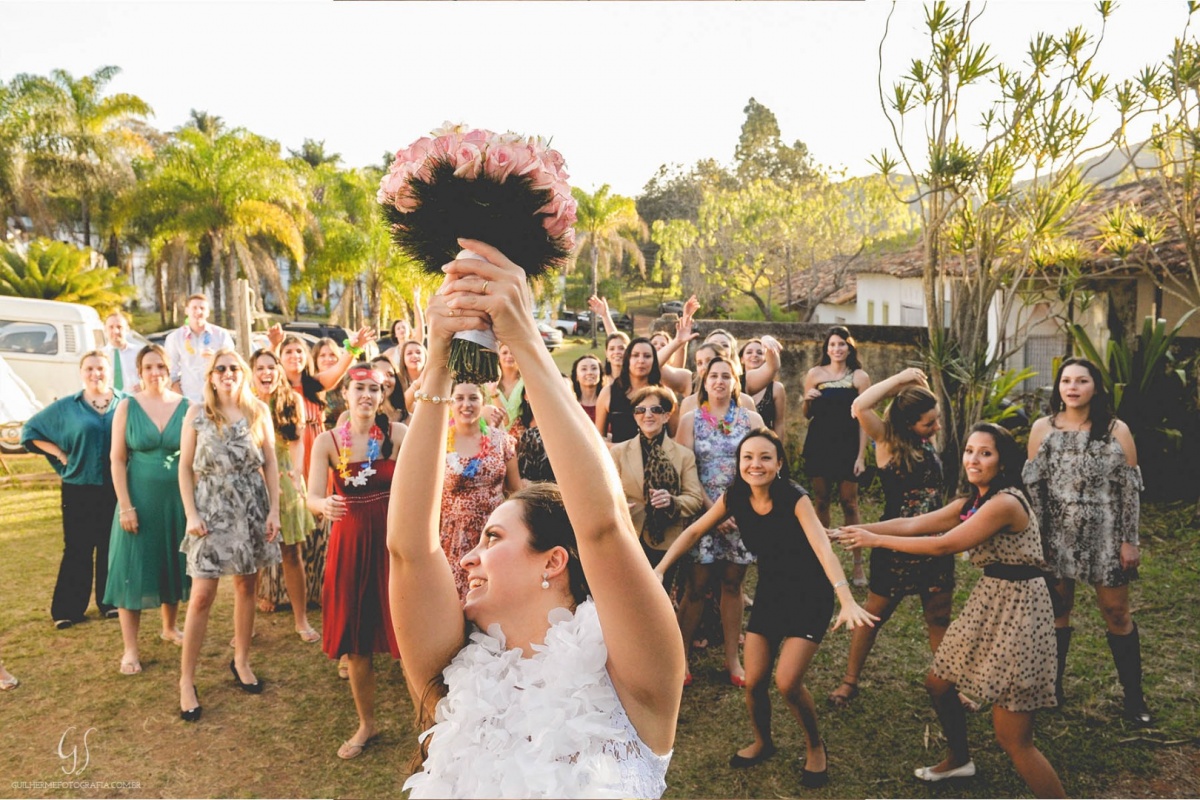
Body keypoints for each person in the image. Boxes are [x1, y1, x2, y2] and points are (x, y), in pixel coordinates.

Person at [388, 240, 683, 798]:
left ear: (554, 560)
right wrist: (437, 367)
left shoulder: (634, 684)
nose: (468, 556)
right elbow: (410, 549)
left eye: (493, 536)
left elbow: (603, 525)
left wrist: (523, 338)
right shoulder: (451, 682)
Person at [835, 424, 1064, 798]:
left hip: (1020, 607)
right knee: (939, 683)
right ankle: (959, 759)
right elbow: (914, 523)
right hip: (991, 597)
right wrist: (855, 528)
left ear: (1002, 460)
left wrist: (874, 540)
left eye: (985, 453)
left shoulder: (1005, 502)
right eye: (970, 451)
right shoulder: (972, 501)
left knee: (1014, 738)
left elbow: (943, 545)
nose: (974, 459)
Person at [656, 428, 876, 786]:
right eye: (748, 457)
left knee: (787, 682)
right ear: (739, 463)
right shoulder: (736, 496)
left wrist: (846, 598)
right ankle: (763, 742)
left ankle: (815, 746)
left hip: (809, 593)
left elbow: (823, 547)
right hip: (773, 591)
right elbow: (695, 531)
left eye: (764, 457)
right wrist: (662, 568)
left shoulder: (795, 497)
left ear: (779, 464)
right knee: (754, 682)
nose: (755, 464)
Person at [1023, 357, 1151, 724]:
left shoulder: (1116, 429)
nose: (1073, 387)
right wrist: (1038, 540)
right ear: (1058, 387)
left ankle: (1134, 699)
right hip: (1057, 536)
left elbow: (1130, 490)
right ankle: (1052, 689)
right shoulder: (1042, 429)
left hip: (1107, 536)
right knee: (1058, 611)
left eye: (1082, 380)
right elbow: (1036, 490)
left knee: (1116, 612)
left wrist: (1130, 541)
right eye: (1066, 381)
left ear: (1096, 386)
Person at [827, 368, 955, 709]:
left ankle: (951, 686)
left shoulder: (928, 442)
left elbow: (924, 405)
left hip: (935, 542)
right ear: (908, 421)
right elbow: (859, 405)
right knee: (874, 614)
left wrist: (920, 387)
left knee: (939, 616)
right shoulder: (885, 440)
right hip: (894, 542)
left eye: (936, 421)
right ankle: (850, 680)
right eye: (929, 422)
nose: (936, 427)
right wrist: (900, 379)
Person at [307, 364, 407, 759]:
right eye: (359, 388)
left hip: (390, 541)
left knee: (405, 633)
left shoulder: (398, 435)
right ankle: (367, 724)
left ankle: (429, 721)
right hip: (349, 542)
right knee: (358, 640)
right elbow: (312, 495)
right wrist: (322, 504)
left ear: (382, 396)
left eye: (374, 389)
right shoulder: (328, 442)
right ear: (345, 394)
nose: (366, 395)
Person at [177, 349, 281, 722]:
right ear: (210, 376)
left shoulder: (259, 412)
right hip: (209, 510)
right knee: (202, 595)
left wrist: (273, 511)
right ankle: (187, 681)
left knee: (246, 587)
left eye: (234, 368)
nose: (227, 373)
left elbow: (270, 463)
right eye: (220, 369)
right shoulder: (197, 414)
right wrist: (191, 513)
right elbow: (185, 469)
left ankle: (241, 660)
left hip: (250, 508)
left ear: (243, 373)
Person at [675, 356, 765, 686]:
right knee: (696, 587)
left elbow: (762, 463)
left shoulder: (751, 418)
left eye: (726, 376)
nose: (720, 381)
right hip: (704, 512)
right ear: (705, 379)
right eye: (714, 375)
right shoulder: (690, 420)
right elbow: (687, 470)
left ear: (735, 380)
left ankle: (733, 659)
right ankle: (681, 657)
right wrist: (713, 511)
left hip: (742, 513)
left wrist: (741, 508)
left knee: (733, 585)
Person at [22, 350, 124, 628]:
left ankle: (110, 602)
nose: (95, 374)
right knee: (77, 547)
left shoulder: (124, 403)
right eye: (89, 369)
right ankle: (68, 609)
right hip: (78, 487)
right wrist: (61, 455)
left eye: (100, 368)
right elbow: (30, 432)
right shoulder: (68, 406)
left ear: (108, 371)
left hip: (115, 488)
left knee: (110, 546)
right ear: (82, 373)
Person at [105, 345, 191, 674]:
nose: (156, 372)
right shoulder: (127, 406)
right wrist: (125, 506)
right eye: (149, 367)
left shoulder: (187, 407)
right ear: (139, 372)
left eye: (161, 367)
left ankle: (169, 627)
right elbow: (116, 458)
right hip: (137, 498)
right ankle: (130, 650)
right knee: (134, 570)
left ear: (170, 371)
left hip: (177, 500)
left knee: (172, 561)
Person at [249, 349, 319, 640]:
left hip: (285, 477)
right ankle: (247, 623)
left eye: (271, 367)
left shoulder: (291, 401)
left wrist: (297, 478)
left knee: (292, 552)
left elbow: (296, 443)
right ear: (251, 373)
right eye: (260, 368)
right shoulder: (245, 404)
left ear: (278, 371)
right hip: (251, 481)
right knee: (251, 558)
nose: (267, 372)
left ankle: (301, 620)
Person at [610, 386, 704, 588]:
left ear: (666, 415)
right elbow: (605, 495)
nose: (648, 415)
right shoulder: (618, 453)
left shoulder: (683, 455)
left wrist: (673, 502)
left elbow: (695, 499)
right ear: (635, 416)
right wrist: (619, 506)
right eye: (641, 410)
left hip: (666, 542)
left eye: (656, 410)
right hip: (628, 537)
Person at [802, 326, 871, 587]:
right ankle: (823, 559)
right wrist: (806, 399)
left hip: (848, 445)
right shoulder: (815, 374)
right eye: (832, 345)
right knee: (821, 501)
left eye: (841, 344)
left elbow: (865, 418)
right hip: (819, 444)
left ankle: (857, 563)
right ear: (826, 348)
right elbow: (807, 413)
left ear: (849, 347)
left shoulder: (859, 377)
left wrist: (861, 456)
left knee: (849, 503)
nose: (837, 349)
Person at [439, 381, 520, 600]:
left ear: (483, 402)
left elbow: (515, 490)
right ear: (450, 403)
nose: (466, 404)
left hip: (494, 535)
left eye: (473, 398)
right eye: (459, 398)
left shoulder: (501, 440)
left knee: (495, 598)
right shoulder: (438, 442)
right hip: (453, 538)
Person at [595, 337, 675, 444]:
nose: (641, 361)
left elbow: (675, 437)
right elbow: (599, 439)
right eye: (635, 355)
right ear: (627, 359)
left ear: (654, 361)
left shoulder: (666, 394)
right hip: (619, 458)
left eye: (647, 356)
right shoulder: (608, 393)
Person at [164, 294, 232, 403]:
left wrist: (216, 359)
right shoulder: (175, 338)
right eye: (194, 308)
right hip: (188, 399)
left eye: (202, 308)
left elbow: (231, 366)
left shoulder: (221, 335)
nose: (198, 312)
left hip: (217, 399)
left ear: (208, 312)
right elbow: (171, 372)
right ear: (187, 310)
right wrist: (182, 400)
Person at [738, 338, 788, 440]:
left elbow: (779, 423)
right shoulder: (735, 384)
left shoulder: (776, 388)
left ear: (766, 358)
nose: (754, 355)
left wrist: (778, 451)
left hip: (765, 443)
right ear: (741, 359)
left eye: (760, 352)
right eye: (749, 352)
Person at [312, 338, 348, 429]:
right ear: (315, 359)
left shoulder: (347, 384)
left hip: (346, 437)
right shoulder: (310, 385)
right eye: (322, 355)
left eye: (332, 355)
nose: (328, 359)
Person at [104, 311, 141, 393]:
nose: (116, 331)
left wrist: (145, 385)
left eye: (119, 327)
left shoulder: (139, 353)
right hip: (109, 403)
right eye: (111, 327)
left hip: (134, 401)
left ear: (127, 329)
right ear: (105, 330)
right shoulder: (100, 356)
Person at [569, 353, 603, 422]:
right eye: (584, 369)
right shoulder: (570, 405)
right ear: (576, 376)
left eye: (594, 368)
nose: (589, 372)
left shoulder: (609, 402)